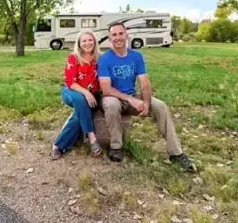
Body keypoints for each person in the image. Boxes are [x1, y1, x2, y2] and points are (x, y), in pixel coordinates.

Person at [97, 22, 195, 172]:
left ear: (126, 35)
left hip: (132, 96)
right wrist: (131, 100)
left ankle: (176, 152)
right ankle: (116, 147)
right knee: (111, 104)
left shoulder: (136, 56)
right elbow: (106, 89)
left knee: (161, 106)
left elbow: (145, 83)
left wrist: (147, 103)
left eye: (120, 34)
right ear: (109, 38)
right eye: (114, 35)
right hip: (113, 97)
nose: (118, 38)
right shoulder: (105, 59)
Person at [51, 30, 103, 160]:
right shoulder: (74, 57)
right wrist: (86, 93)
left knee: (78, 115)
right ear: (79, 43)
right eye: (84, 41)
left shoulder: (101, 58)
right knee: (81, 100)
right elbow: (71, 82)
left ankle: (58, 146)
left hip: (92, 95)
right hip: (72, 92)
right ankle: (91, 137)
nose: (87, 43)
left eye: (90, 40)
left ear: (95, 42)